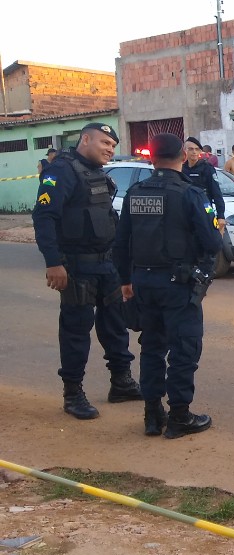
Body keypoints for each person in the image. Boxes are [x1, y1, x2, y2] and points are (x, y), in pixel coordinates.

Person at [112, 133, 222, 439]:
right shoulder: (190, 193)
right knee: (183, 350)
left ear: (151, 158)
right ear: (182, 157)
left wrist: (124, 281)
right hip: (179, 285)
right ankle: (179, 416)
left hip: (143, 284)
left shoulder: (135, 192)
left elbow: (120, 243)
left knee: (151, 347)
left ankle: (152, 413)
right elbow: (212, 241)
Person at [31, 122, 142, 420]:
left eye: (113, 146)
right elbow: (44, 216)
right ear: (85, 139)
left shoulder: (96, 172)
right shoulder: (62, 171)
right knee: (76, 331)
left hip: (107, 264)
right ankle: (73, 393)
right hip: (76, 266)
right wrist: (54, 262)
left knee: (115, 325)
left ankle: (121, 382)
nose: (109, 149)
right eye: (105, 142)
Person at [182, 137, 226, 226]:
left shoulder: (207, 168)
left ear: (200, 152)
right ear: (185, 151)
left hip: (205, 205)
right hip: (186, 209)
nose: (194, 152)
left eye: (197, 149)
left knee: (209, 227)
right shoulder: (181, 168)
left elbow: (216, 192)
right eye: (190, 149)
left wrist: (221, 216)